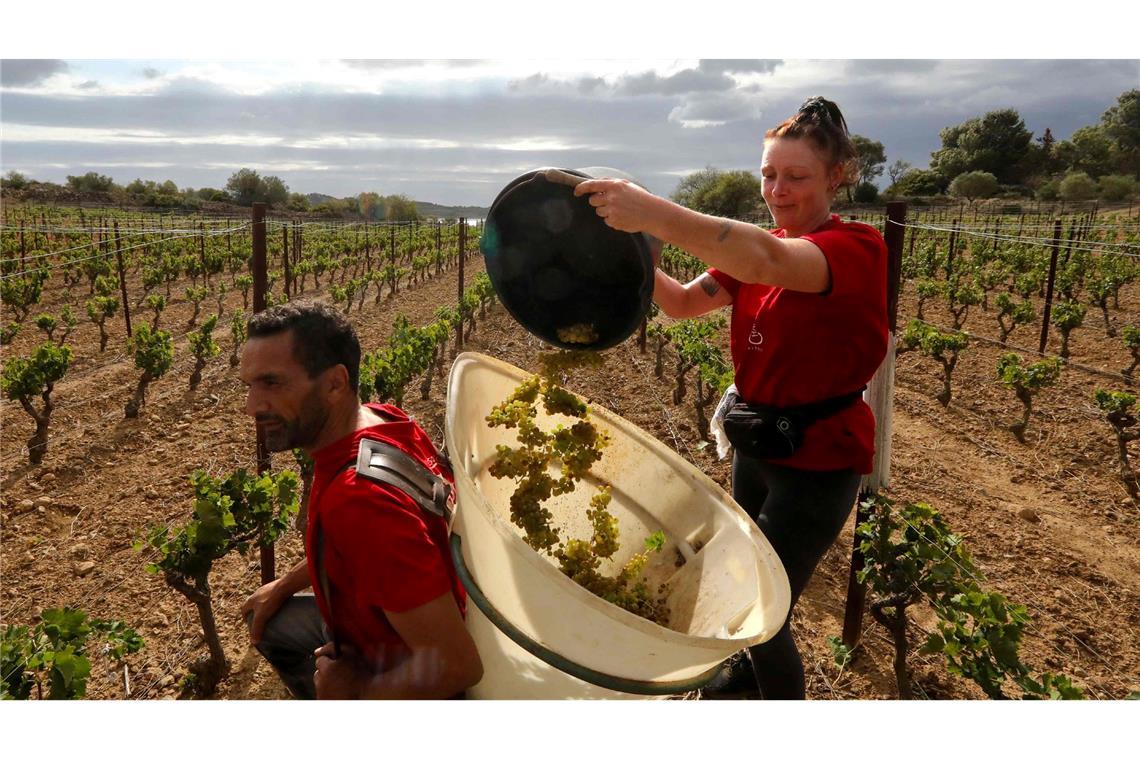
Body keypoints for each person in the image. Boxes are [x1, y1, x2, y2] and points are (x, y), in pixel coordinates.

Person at [574, 97, 888, 699]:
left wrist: (653, 211)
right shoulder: (763, 250)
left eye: (796, 176)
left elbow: (768, 260)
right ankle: (741, 689)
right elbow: (681, 302)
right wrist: (643, 254)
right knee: (741, 599)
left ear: (836, 177)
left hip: (817, 462)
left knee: (759, 612)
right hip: (756, 444)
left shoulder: (853, 250)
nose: (777, 190)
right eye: (769, 175)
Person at [238, 301, 482, 699]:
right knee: (266, 619)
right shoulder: (382, 419)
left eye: (273, 383)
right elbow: (362, 541)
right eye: (249, 385)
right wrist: (284, 585)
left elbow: (457, 667)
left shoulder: (358, 503)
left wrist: (355, 692)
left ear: (335, 383)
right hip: (407, 610)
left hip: (410, 665)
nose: (252, 406)